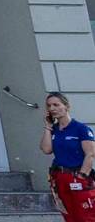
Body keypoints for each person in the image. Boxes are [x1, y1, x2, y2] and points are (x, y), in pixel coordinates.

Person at [47, 92, 95, 222]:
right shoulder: (54, 129)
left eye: (56, 105)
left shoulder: (80, 128)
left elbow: (90, 153)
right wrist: (48, 127)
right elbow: (46, 149)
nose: (52, 108)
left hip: (77, 175)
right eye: (49, 106)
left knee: (86, 215)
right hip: (59, 177)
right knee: (68, 215)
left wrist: (82, 176)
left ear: (66, 106)